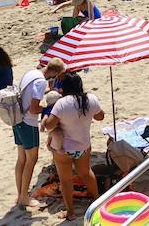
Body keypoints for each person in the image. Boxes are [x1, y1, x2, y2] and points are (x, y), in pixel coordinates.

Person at [44, 72, 105, 221]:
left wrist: (46, 118)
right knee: (85, 173)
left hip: (64, 149)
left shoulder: (62, 103)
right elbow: (100, 116)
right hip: (83, 146)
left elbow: (49, 126)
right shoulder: (90, 99)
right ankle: (96, 199)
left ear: (64, 87)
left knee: (66, 180)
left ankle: (70, 212)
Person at [10, 62, 49, 208]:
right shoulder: (41, 82)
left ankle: (20, 195)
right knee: (31, 160)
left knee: (21, 159)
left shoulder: (31, 73)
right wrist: (45, 108)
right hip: (28, 123)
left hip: (17, 120)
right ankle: (24, 198)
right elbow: (34, 109)